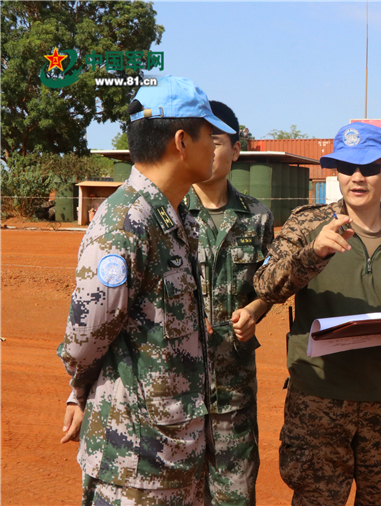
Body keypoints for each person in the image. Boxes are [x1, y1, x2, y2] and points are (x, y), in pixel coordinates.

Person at [57, 75, 234, 505]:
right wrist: (79, 391)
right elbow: (85, 337)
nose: (216, 146)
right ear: (181, 141)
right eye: (210, 135)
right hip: (135, 464)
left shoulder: (176, 219)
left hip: (177, 454)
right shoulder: (125, 223)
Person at [253, 122, 381, 506]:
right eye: (345, 166)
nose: (357, 177)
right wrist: (313, 254)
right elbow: (265, 285)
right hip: (316, 401)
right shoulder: (308, 223)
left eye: (370, 167)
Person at [183, 100, 274, 505]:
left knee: (235, 496)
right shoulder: (169, 211)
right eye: (204, 140)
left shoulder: (257, 217)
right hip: (176, 386)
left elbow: (266, 286)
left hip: (233, 384)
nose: (211, 150)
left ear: (236, 150)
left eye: (219, 141)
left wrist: (255, 311)